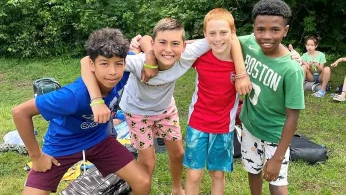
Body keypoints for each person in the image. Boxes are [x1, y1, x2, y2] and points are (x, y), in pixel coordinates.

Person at [80, 18, 250, 195]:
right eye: (162, 43)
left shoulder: (188, 54)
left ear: (184, 46)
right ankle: (143, 190)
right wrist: (97, 100)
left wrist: (241, 74)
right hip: (136, 112)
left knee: (178, 154)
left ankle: (177, 189)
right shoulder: (138, 62)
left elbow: (231, 38)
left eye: (175, 43)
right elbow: (86, 61)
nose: (168, 50)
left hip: (165, 110)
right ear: (154, 44)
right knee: (148, 161)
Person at [11, 28, 151, 195]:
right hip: (62, 146)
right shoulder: (72, 96)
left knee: (142, 182)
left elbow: (146, 40)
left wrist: (145, 51)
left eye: (118, 64)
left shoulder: (123, 73)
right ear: (92, 65)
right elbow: (19, 112)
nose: (113, 72)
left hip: (99, 141)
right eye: (104, 63)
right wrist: (36, 156)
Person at [238, 0, 305, 195]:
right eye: (261, 29)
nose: (267, 36)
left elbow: (293, 115)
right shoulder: (249, 43)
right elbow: (221, 39)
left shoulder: (291, 69)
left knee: (277, 183)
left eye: (275, 30)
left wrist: (277, 157)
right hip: (250, 126)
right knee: (253, 170)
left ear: (285, 30)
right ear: (254, 28)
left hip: (276, 135)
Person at [183, 8, 249, 195]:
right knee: (194, 175)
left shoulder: (241, 61)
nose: (218, 38)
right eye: (212, 33)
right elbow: (174, 49)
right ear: (205, 35)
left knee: (217, 175)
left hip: (223, 127)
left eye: (223, 33)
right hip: (197, 123)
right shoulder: (200, 56)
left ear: (233, 33)